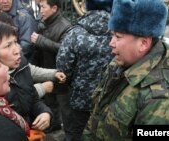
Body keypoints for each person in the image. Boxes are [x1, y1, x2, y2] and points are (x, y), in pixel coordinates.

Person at [82, 0, 169, 140]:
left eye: (118, 37)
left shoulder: (161, 98)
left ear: (143, 43)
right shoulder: (120, 62)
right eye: (112, 35)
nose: (111, 43)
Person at [0, 19, 56, 131]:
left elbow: (32, 98)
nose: (17, 50)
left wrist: (45, 112)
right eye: (8, 46)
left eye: (15, 42)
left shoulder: (22, 65)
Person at [56, 0, 113, 140]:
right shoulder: (118, 33)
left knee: (75, 134)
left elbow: (62, 68)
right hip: (109, 100)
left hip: (80, 99)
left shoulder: (75, 33)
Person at [31, 0, 72, 133]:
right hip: (45, 72)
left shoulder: (66, 26)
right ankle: (52, 127)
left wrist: (41, 41)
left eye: (43, 7)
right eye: (39, 7)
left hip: (59, 74)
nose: (40, 10)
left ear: (54, 8)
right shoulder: (43, 23)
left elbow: (64, 49)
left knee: (64, 108)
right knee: (49, 104)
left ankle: (67, 132)